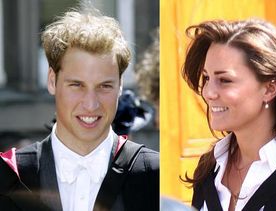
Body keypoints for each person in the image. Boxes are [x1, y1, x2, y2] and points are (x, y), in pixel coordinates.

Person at [0, 6, 159, 211]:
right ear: (52, 81)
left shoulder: (154, 175)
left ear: (120, 86)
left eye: (104, 86)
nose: (91, 104)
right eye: (77, 85)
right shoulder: (9, 178)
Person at [182, 19, 276, 210]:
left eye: (225, 80)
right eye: (207, 78)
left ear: (269, 89)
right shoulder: (209, 168)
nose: (208, 92)